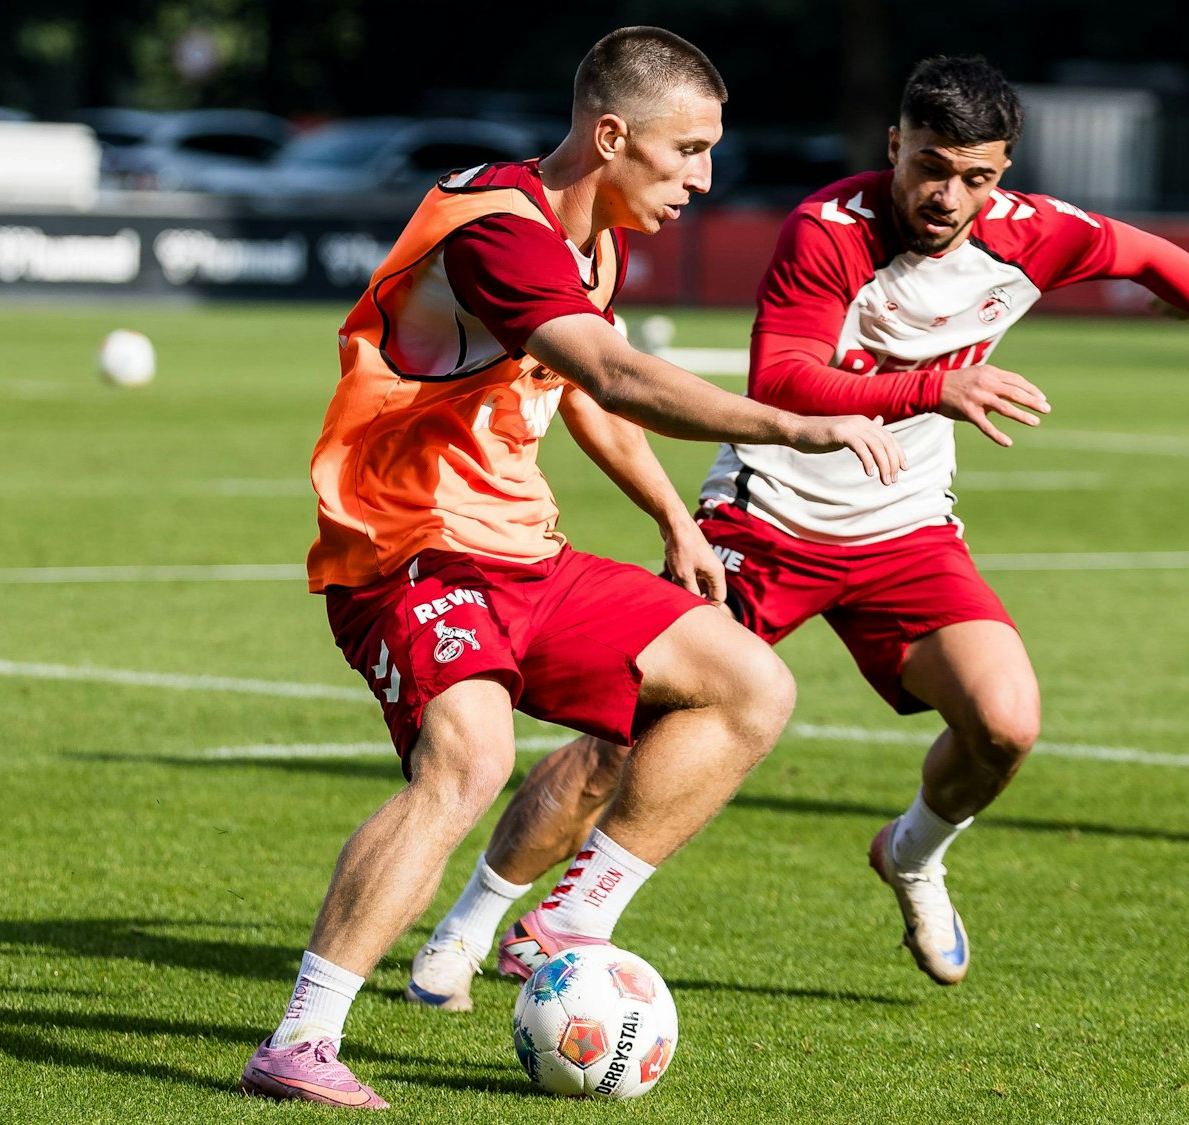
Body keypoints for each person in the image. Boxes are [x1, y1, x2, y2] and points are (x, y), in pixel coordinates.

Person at [401, 55, 1189, 1012]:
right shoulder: (829, 229)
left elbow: (1152, 256)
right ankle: (474, 924)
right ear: (894, 146)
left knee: (1006, 722)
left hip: (907, 533)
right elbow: (785, 381)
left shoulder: (1029, 233)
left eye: (978, 176)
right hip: (766, 521)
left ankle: (913, 855)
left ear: (1003, 171)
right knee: (621, 736)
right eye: (932, 166)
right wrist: (940, 386)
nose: (950, 195)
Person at [237, 27, 905, 1109]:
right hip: (404, 552)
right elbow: (612, 370)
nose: (700, 177)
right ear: (610, 135)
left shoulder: (590, 237)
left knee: (750, 684)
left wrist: (672, 524)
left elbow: (578, 393)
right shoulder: (499, 232)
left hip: (519, 554)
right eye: (684, 150)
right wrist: (787, 424)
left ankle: (569, 918)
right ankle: (302, 1039)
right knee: (469, 762)